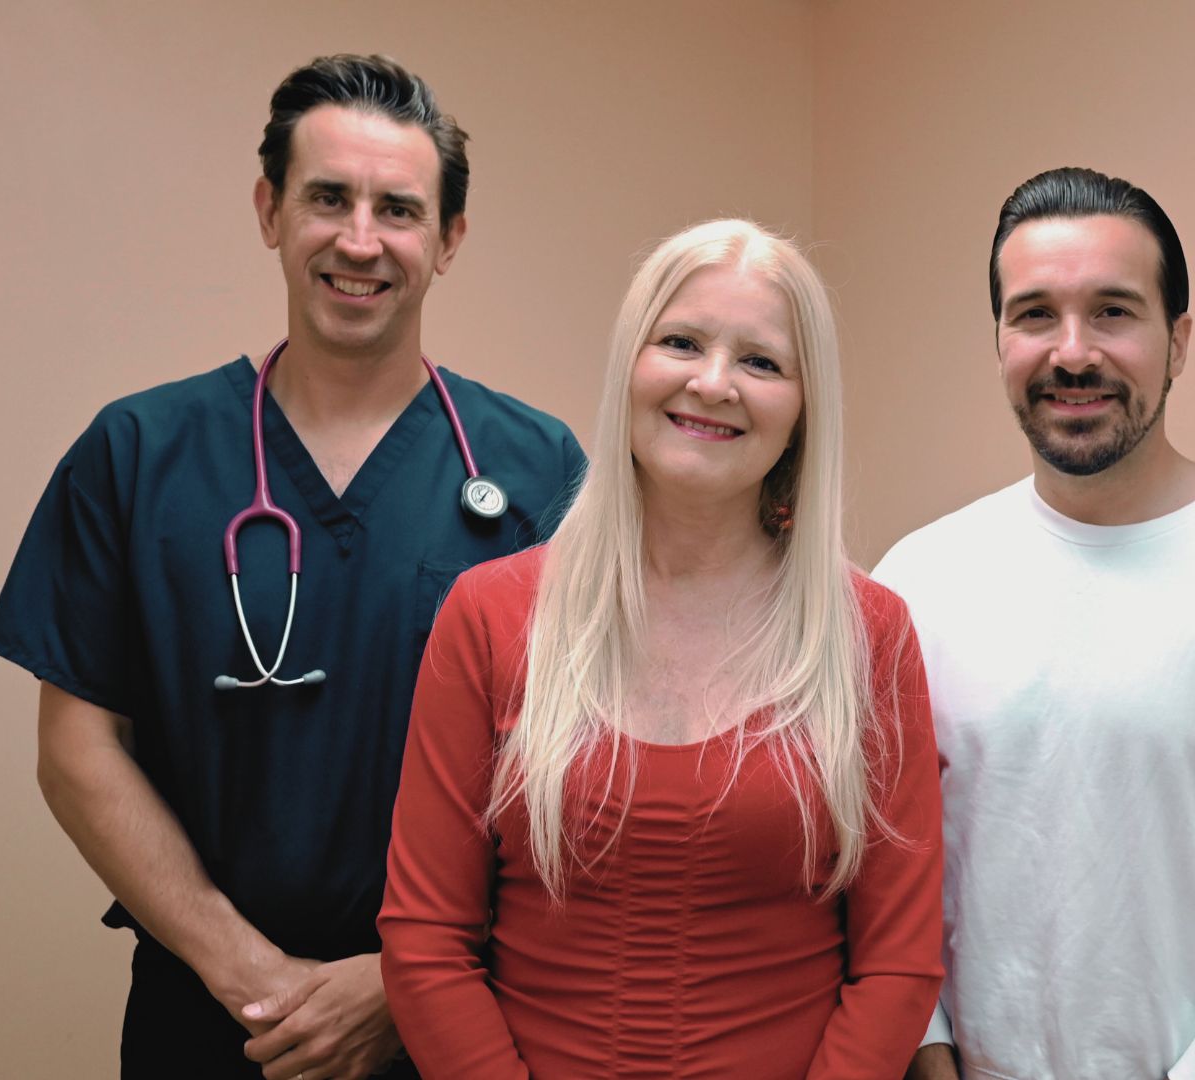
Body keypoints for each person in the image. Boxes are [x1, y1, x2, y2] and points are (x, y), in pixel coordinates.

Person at [0, 55, 583, 1079]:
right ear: (270, 211)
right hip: (212, 1021)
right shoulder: (136, 454)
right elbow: (78, 751)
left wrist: (403, 979)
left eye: (399, 209)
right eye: (327, 199)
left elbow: (584, 767)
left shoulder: (539, 470)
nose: (361, 240)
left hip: (460, 1022)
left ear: (449, 240)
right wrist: (251, 975)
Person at [379, 218, 944, 1078]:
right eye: (680, 342)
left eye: (760, 362)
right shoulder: (489, 616)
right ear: (630, 369)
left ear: (802, 409)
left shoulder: (870, 634)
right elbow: (426, 942)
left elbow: (896, 965)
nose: (713, 383)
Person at [875, 167, 1195, 1080]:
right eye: (1034, 314)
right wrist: (927, 1049)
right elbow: (886, 868)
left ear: (1179, 341)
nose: (1071, 352)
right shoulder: (916, 581)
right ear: (999, 338)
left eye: (1113, 311)